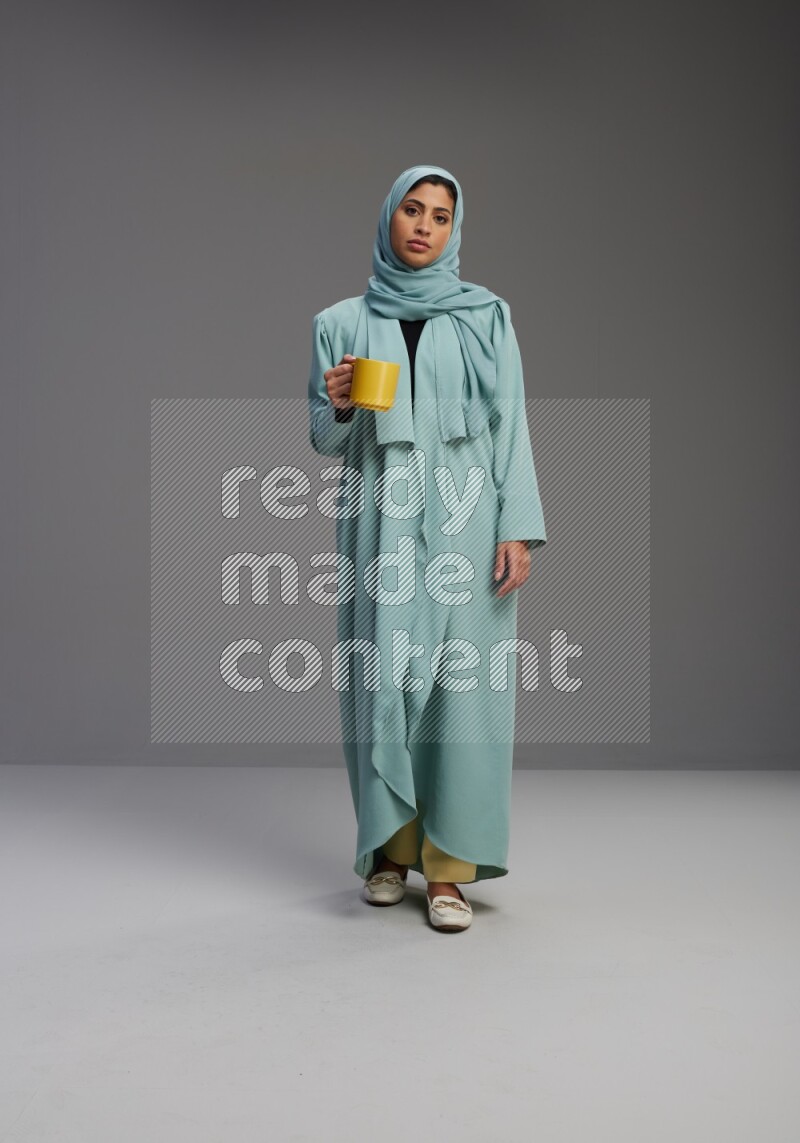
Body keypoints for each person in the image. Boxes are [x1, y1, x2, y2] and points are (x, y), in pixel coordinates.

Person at [307, 164, 546, 932]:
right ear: (388, 217)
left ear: (455, 229)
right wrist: (339, 403)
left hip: (468, 518)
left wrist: (518, 526)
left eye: (440, 216)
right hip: (382, 516)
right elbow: (323, 436)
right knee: (383, 684)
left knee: (460, 693)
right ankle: (386, 851)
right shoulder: (340, 321)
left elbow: (511, 427)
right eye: (412, 209)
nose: (424, 225)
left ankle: (449, 868)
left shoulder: (487, 318)